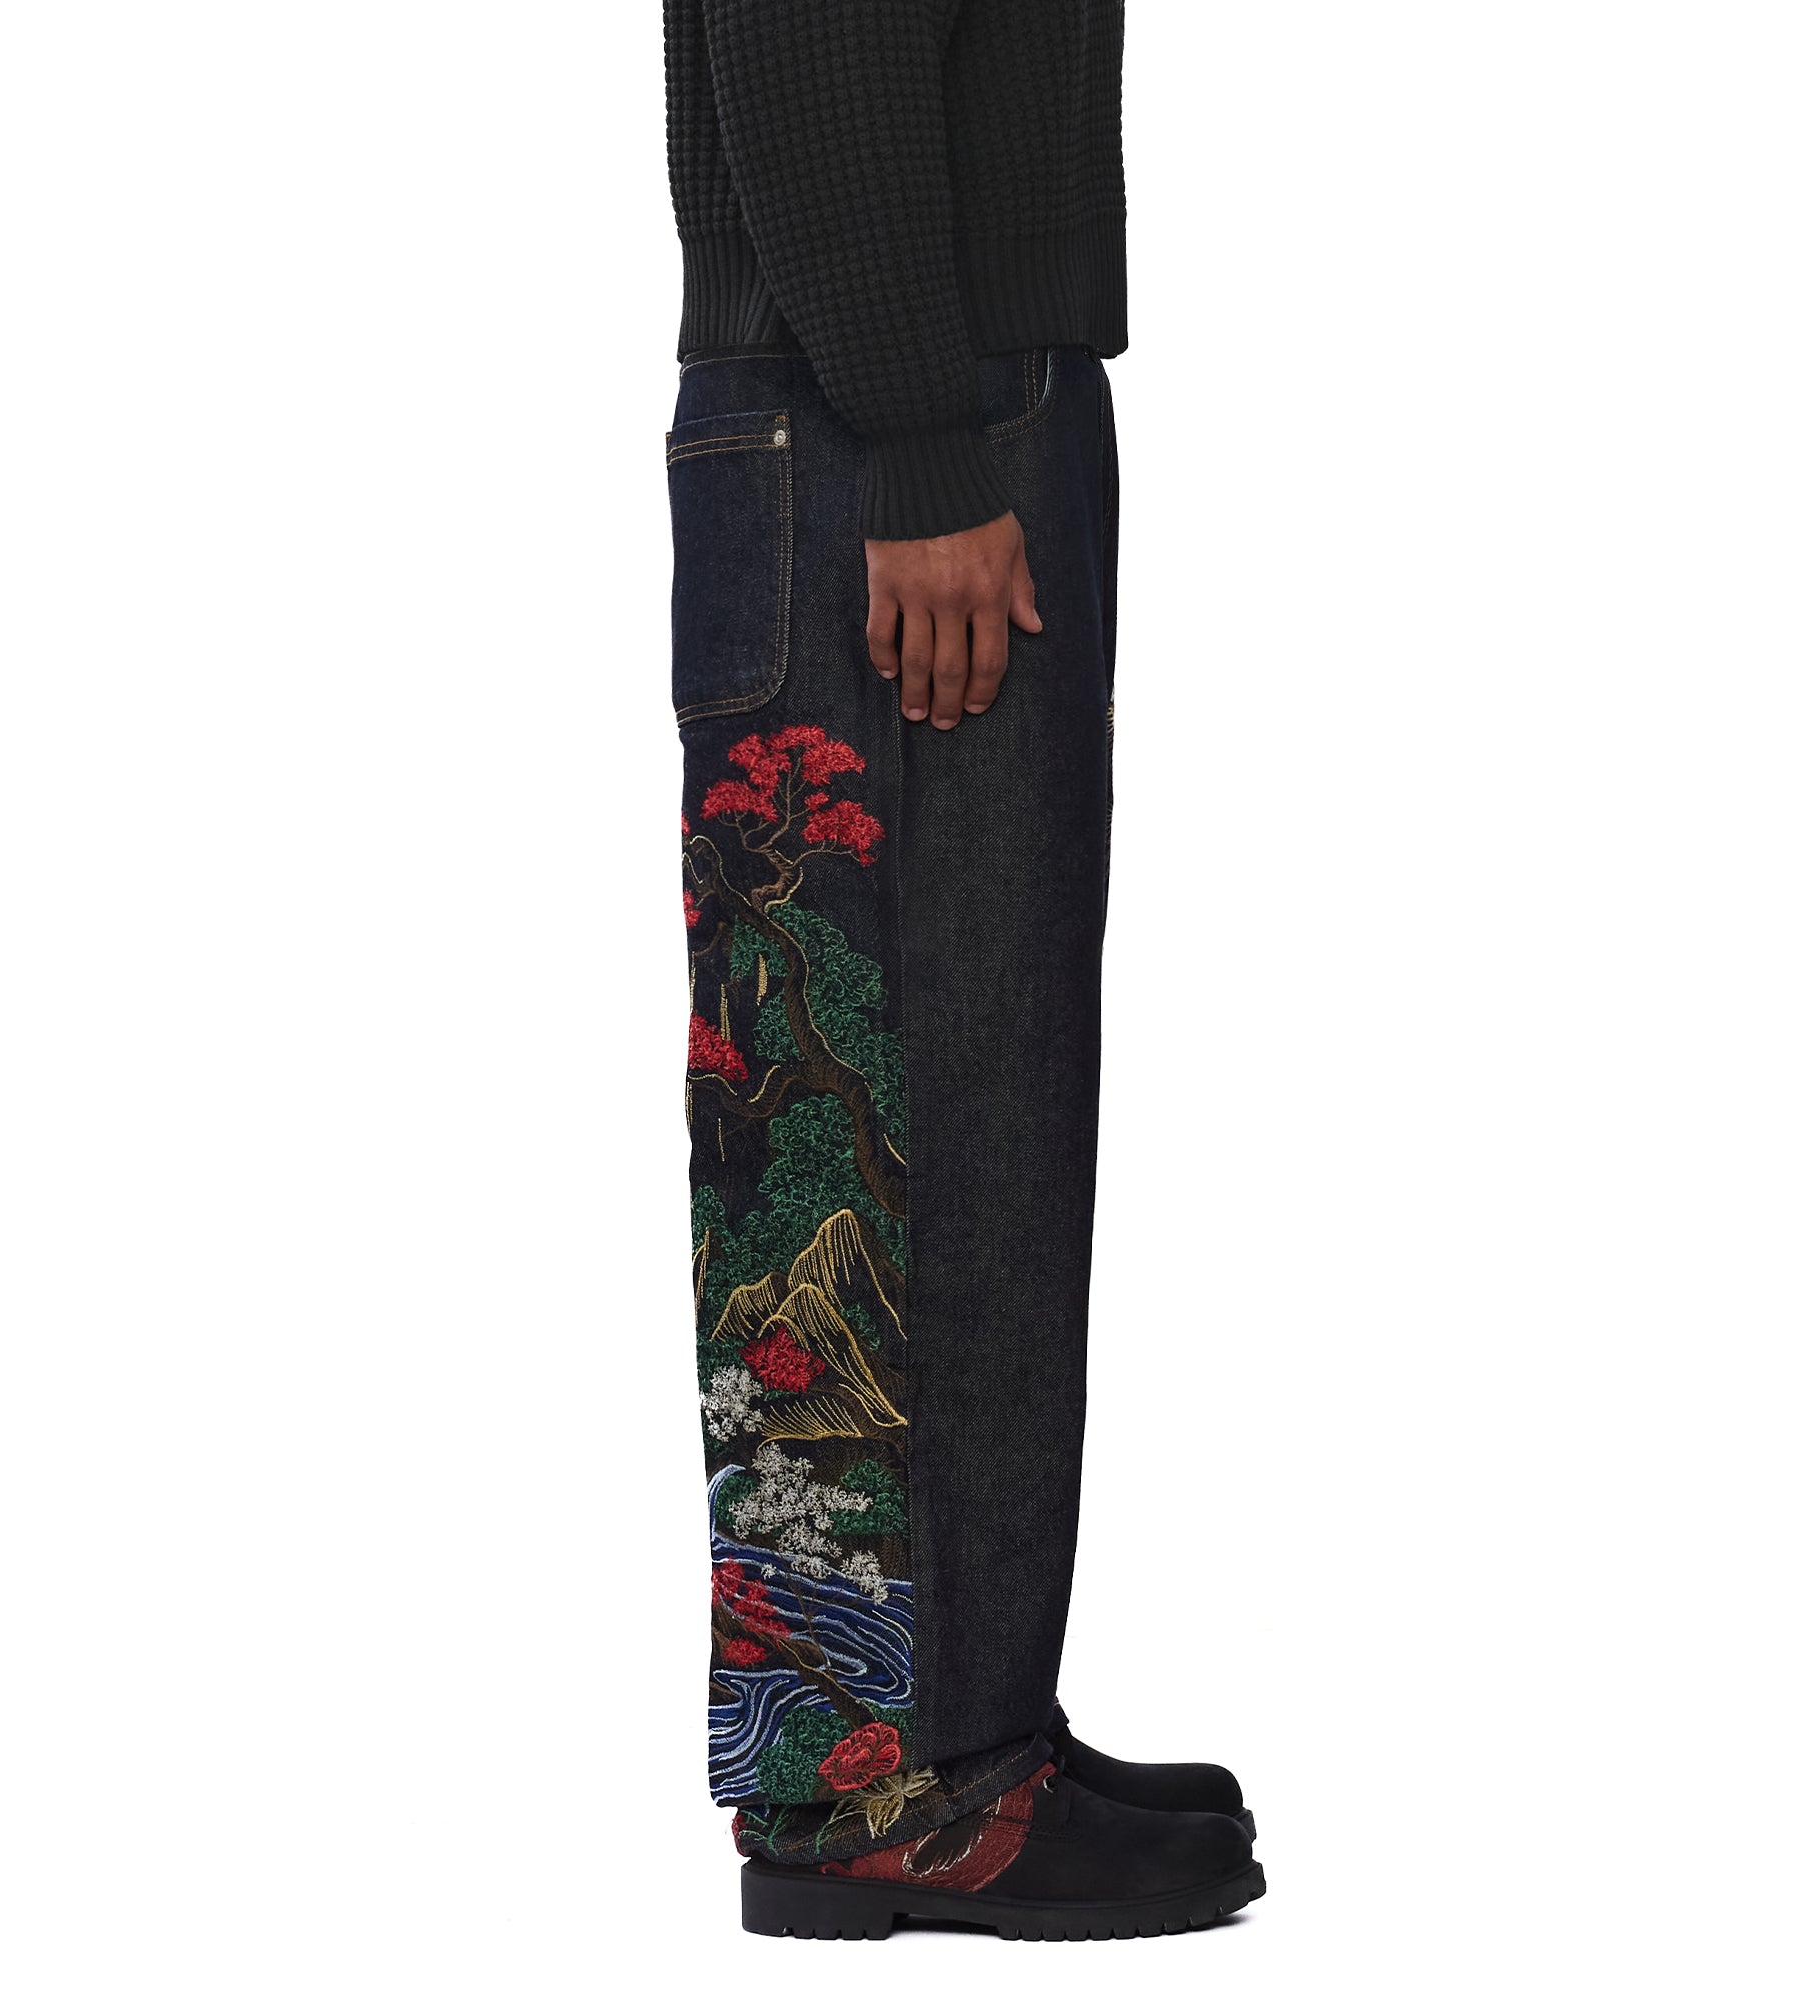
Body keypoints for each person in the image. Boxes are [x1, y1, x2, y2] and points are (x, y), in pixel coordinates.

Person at [664, 1, 1264, 1939]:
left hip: (919, 400)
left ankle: (964, 1730)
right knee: (873, 1125)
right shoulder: (912, 431)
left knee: (981, 1094)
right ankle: (871, 1790)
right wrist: (924, 435)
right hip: (883, 425)